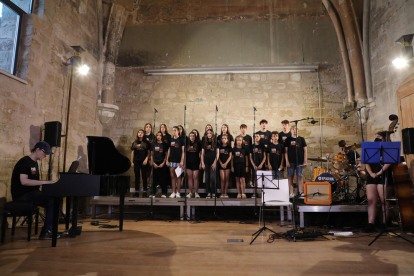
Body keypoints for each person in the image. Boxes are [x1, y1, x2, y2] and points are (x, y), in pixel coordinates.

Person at [11, 141, 56, 240]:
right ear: (37, 149)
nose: (46, 155)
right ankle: (46, 231)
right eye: (45, 153)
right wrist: (45, 182)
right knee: (53, 201)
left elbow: (34, 181)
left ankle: (50, 229)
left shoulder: (34, 163)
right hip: (22, 194)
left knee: (56, 199)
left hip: (31, 193)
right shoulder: (24, 162)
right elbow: (24, 181)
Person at [362, 131, 394, 233]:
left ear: (385, 138)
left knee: (384, 199)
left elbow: (389, 161)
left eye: (379, 137)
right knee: (371, 200)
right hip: (372, 175)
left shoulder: (389, 147)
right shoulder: (371, 148)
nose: (377, 139)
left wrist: (380, 172)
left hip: (384, 174)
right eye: (376, 137)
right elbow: (366, 162)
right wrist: (371, 173)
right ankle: (371, 224)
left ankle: (384, 224)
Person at [284, 126, 307, 198]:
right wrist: (287, 161)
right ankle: (291, 192)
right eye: (293, 129)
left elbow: (305, 150)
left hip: (300, 161)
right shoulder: (288, 139)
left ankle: (300, 192)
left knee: (300, 177)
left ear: (298, 130)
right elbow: (286, 151)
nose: (294, 130)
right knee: (290, 177)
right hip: (291, 162)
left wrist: (305, 161)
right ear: (290, 131)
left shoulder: (301, 139)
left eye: (296, 129)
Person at [131, 129, 151, 198]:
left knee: (144, 176)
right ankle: (136, 192)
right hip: (136, 161)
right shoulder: (135, 143)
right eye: (139, 132)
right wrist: (132, 162)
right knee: (137, 176)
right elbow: (132, 152)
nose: (140, 133)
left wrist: (146, 159)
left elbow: (149, 152)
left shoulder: (146, 142)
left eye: (141, 133)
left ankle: (145, 191)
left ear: (144, 134)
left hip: (143, 161)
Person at [166, 126, 184, 198]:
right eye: (173, 130)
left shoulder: (181, 140)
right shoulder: (171, 140)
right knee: (173, 177)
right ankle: (173, 192)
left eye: (175, 130)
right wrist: (167, 159)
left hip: (179, 161)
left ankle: (178, 192)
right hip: (172, 160)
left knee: (178, 177)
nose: (173, 132)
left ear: (178, 131)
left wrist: (182, 161)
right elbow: (169, 150)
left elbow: (183, 151)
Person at [151, 131, 168, 198]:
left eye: (160, 135)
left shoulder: (164, 144)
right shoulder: (153, 144)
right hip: (155, 163)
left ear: (162, 136)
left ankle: (164, 193)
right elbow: (151, 155)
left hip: (162, 163)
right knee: (154, 179)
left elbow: (166, 155)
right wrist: (153, 163)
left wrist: (163, 163)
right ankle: (153, 193)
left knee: (163, 179)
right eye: (157, 135)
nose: (158, 136)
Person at [250, 132, 266, 199]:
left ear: (260, 138)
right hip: (254, 166)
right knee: (255, 179)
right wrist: (254, 165)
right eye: (255, 136)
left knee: (262, 179)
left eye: (257, 136)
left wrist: (261, 164)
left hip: (261, 165)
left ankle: (263, 193)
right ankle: (254, 193)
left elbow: (265, 156)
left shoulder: (262, 146)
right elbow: (250, 157)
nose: (256, 138)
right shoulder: (251, 146)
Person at [201, 129, 217, 198]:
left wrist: (215, 162)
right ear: (206, 135)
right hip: (206, 162)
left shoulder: (215, 142)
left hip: (213, 162)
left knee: (213, 177)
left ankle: (213, 192)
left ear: (212, 134)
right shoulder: (205, 143)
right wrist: (202, 163)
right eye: (208, 133)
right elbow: (202, 154)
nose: (209, 134)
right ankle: (208, 192)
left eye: (210, 133)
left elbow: (217, 153)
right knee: (207, 178)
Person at [186, 132, 202, 198]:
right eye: (191, 136)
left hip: (196, 163)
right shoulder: (187, 144)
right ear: (189, 137)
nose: (192, 137)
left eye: (193, 136)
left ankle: (196, 193)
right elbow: (184, 154)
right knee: (189, 178)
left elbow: (201, 154)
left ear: (195, 137)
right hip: (188, 163)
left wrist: (201, 162)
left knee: (195, 178)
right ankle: (190, 192)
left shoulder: (198, 144)